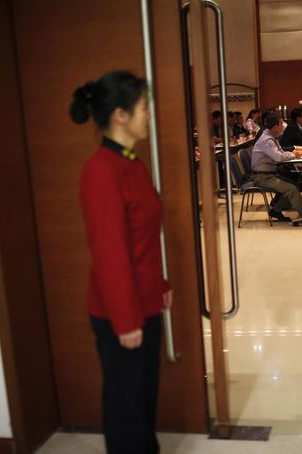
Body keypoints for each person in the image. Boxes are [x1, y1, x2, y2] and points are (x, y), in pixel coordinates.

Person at [70, 70, 172, 454]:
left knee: (144, 397)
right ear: (120, 115)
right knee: (125, 404)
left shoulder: (132, 163)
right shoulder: (101, 172)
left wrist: (161, 285)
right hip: (120, 313)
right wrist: (126, 320)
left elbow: (144, 238)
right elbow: (110, 255)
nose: (150, 114)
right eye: (145, 107)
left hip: (145, 302)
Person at [251, 112, 302, 221]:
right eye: (281, 123)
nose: (283, 125)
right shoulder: (267, 140)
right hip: (262, 177)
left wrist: (293, 153)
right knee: (291, 189)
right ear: (275, 127)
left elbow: (281, 152)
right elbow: (279, 157)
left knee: (293, 182)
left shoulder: (272, 136)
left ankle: (276, 209)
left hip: (269, 174)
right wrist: (293, 154)